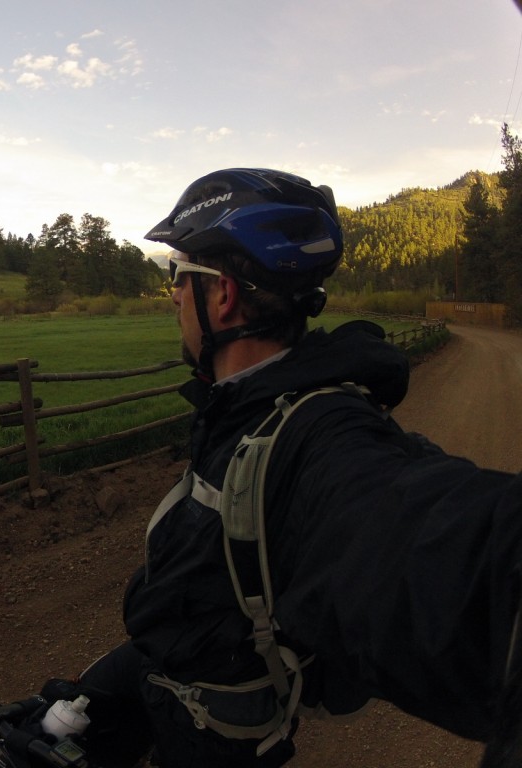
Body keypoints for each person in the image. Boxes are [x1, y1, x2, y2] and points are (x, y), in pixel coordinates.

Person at [44, 168, 522, 767]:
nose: (170, 294)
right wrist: (121, 676)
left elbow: (451, 552)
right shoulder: (249, 407)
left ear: (223, 293)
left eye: (178, 273)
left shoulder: (315, 439)